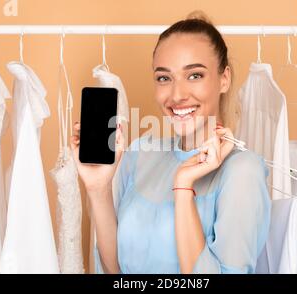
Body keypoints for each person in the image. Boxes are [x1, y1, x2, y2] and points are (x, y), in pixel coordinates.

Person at [70, 11, 271, 274]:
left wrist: (184, 186)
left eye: (195, 75)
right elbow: (114, 271)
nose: (177, 95)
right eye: (164, 78)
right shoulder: (142, 153)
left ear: (224, 79)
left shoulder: (243, 170)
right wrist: (98, 189)